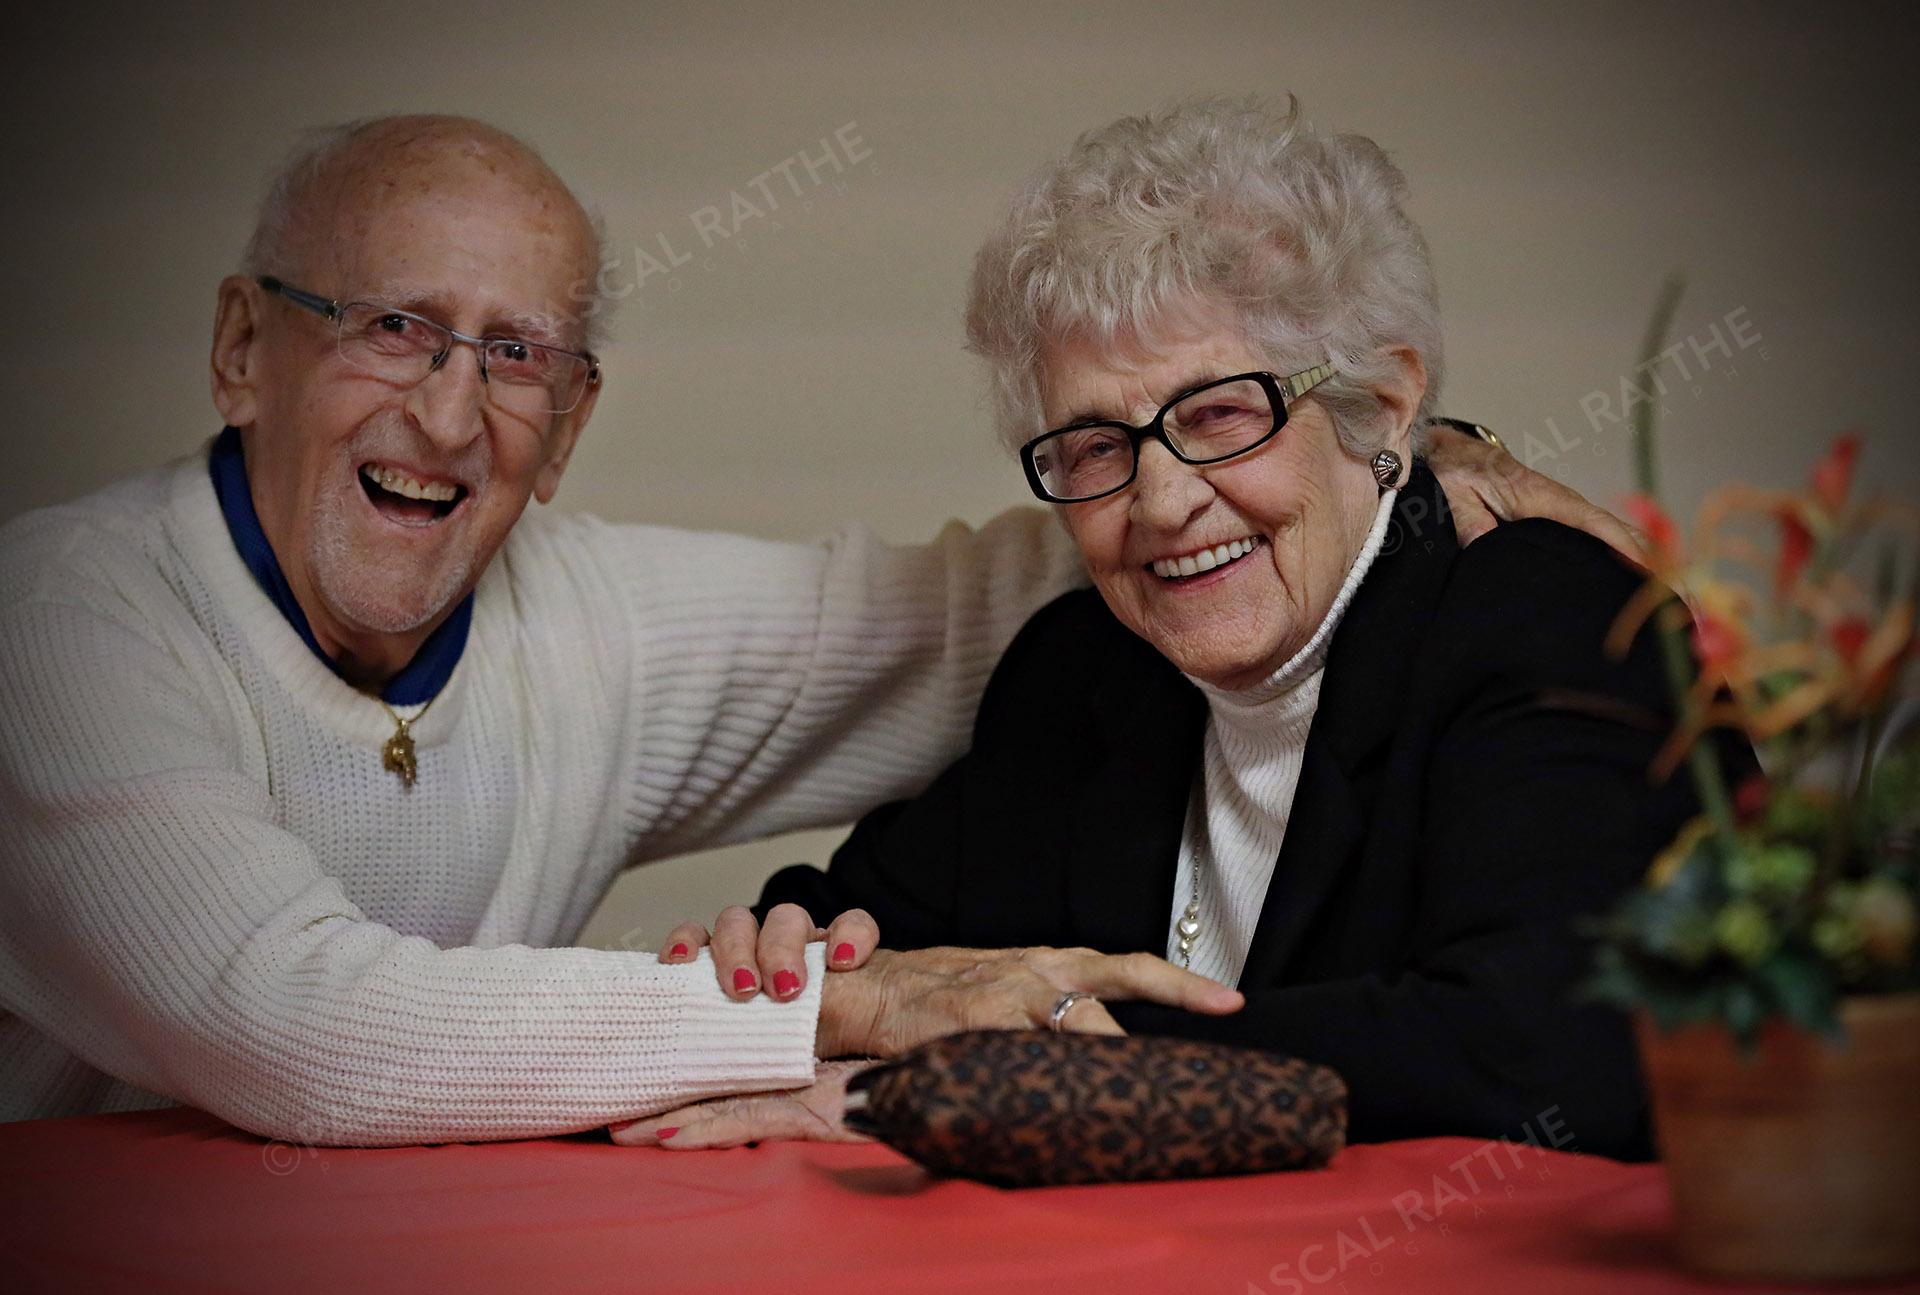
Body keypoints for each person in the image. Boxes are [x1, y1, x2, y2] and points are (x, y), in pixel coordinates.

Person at [0, 113, 1624, 1148]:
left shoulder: (1509, 620)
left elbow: (1552, 1043)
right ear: (241, 347)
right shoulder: (57, 637)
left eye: (512, 354)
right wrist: (824, 1009)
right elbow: (297, 1026)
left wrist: (1398, 454)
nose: (444, 409)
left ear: (569, 425)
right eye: (391, 326)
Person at [637, 97, 1738, 1159]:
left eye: (1220, 413)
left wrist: (998, 1071)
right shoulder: (1082, 673)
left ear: (1385, 404)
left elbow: (1552, 1051)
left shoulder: (1550, 619)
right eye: (1094, 446)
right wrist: (793, 969)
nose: (1161, 503)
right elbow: (862, 935)